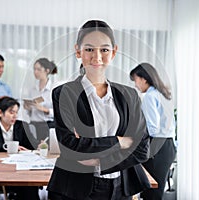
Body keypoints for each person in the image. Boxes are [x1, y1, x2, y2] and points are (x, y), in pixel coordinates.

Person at [47, 20, 150, 200]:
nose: (97, 57)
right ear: (78, 51)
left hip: (121, 186)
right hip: (76, 188)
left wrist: (99, 161)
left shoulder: (130, 95)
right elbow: (70, 148)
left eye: (104, 49)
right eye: (89, 49)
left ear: (114, 51)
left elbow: (142, 148)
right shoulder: (64, 94)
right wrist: (120, 141)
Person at [0, 96, 39, 200]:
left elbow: (32, 145)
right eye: (11, 112)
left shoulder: (22, 126)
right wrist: (6, 146)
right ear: (0, 113)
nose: (15, 116)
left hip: (20, 169)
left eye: (16, 112)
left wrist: (38, 145)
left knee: (29, 186)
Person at [130, 63, 176, 200]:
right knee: (157, 189)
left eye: (136, 80)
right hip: (168, 146)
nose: (135, 85)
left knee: (150, 190)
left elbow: (152, 128)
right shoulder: (163, 94)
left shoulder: (150, 96)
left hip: (157, 145)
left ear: (144, 79)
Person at [24, 58, 57, 143]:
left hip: (47, 125)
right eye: (34, 69)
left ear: (47, 70)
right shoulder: (32, 89)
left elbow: (59, 111)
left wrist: (44, 110)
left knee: (46, 150)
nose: (35, 72)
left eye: (38, 69)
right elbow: (30, 112)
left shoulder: (54, 88)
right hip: (33, 124)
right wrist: (28, 107)